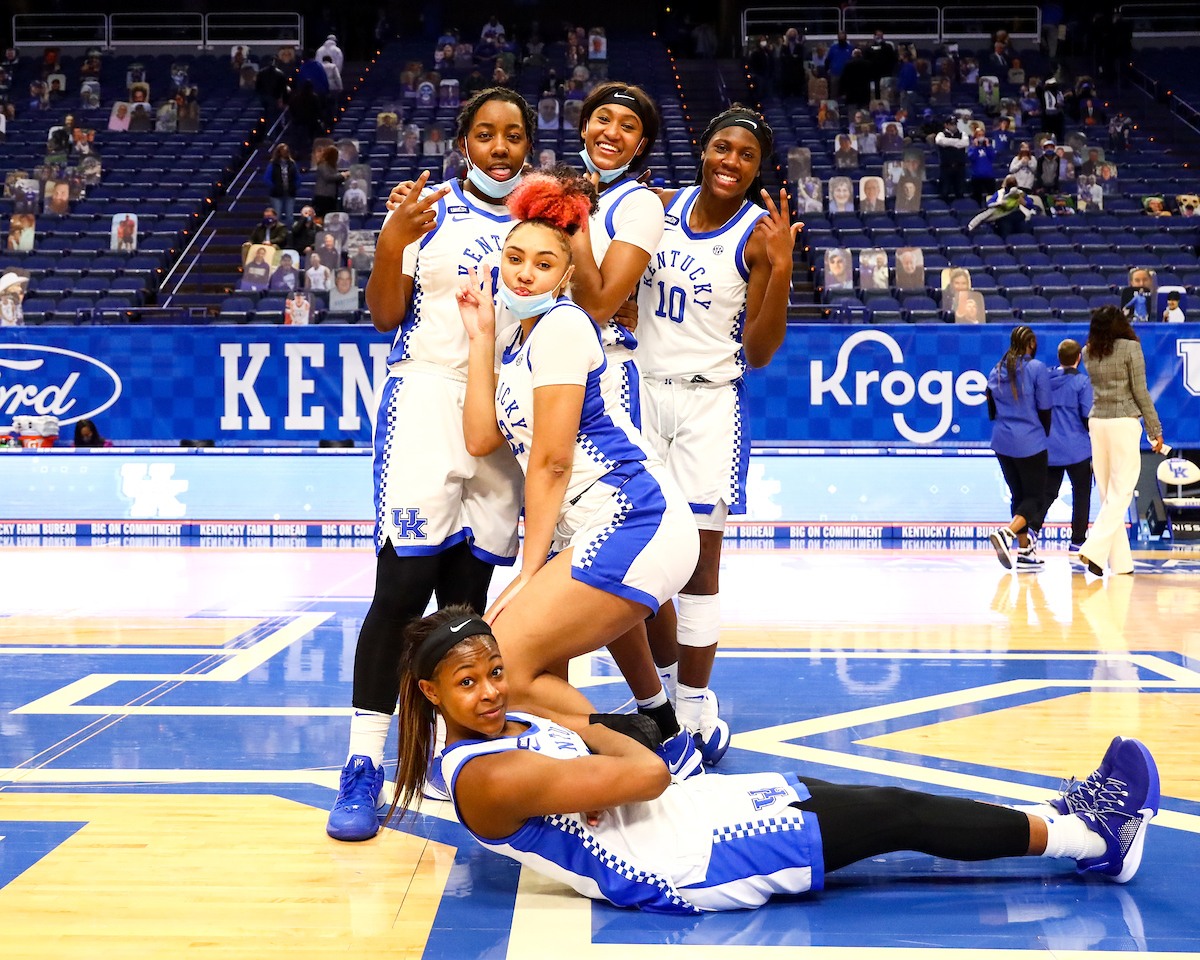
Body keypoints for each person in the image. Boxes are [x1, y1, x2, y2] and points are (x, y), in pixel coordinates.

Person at [388, 605, 1160, 913]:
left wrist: (595, 768)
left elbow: (625, 764)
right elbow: (647, 767)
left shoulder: (502, 728)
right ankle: (1091, 839)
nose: (492, 690)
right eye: (468, 682)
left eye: (495, 671)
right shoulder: (487, 776)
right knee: (894, 815)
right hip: (686, 860)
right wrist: (593, 737)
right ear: (430, 693)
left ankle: (1055, 818)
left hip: (685, 815)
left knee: (872, 799)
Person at [325, 89, 536, 843]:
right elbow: (386, 312)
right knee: (402, 589)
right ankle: (362, 764)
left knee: (468, 598)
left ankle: (458, 758)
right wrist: (391, 241)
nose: (500, 148)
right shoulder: (429, 210)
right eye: (486, 134)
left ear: (529, 145)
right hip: (426, 394)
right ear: (463, 141)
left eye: (514, 135)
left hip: (503, 403)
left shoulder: (543, 221)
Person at [456, 168, 700, 769]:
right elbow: (482, 437)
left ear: (565, 275)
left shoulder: (563, 325)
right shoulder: (516, 342)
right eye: (515, 258)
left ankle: (631, 753)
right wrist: (481, 337)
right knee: (525, 654)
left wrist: (528, 570)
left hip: (636, 515)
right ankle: (663, 732)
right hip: (599, 524)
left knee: (505, 664)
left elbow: (553, 461)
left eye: (543, 264)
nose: (524, 273)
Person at [636, 106, 800, 764]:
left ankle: (691, 711)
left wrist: (782, 269)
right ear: (703, 149)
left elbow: (759, 351)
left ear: (758, 169)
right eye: (722, 147)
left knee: (700, 569)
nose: (732, 162)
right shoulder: (659, 207)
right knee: (643, 564)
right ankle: (672, 701)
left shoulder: (757, 237)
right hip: (642, 394)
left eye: (747, 156)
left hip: (709, 405)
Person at [1076, 308, 1167, 577]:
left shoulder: (1087, 351)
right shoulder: (1131, 348)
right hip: (1123, 421)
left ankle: (1121, 564)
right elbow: (1140, 391)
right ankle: (1093, 548)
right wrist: (1154, 429)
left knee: (1108, 494)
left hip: (1097, 421)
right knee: (1122, 491)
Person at [986, 326, 1052, 571]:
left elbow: (991, 409)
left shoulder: (997, 369)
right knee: (1036, 497)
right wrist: (1043, 433)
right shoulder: (1036, 368)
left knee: (1018, 496)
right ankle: (1007, 533)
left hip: (1002, 442)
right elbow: (1045, 407)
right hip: (1030, 441)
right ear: (1031, 343)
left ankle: (1025, 553)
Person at [1046, 339, 1094, 553]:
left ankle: (1031, 533)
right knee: (1081, 494)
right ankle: (1077, 541)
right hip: (1078, 449)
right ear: (1079, 358)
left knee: (1046, 494)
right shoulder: (1083, 383)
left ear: (1059, 357)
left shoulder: (1045, 379)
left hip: (1050, 448)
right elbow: (1087, 416)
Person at [265, 144, 300, 229]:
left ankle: (289, 233)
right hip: (276, 194)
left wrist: (294, 187)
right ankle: (277, 232)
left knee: (290, 216)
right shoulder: (273, 164)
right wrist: (275, 188)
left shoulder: (292, 163)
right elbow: (267, 178)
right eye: (283, 151)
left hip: (290, 193)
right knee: (277, 215)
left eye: (286, 150)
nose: (285, 152)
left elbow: (297, 177)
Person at [935, 117, 969, 203]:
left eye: (955, 124)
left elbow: (965, 143)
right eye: (951, 124)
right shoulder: (941, 134)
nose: (954, 126)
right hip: (946, 167)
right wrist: (957, 142)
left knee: (960, 191)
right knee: (944, 191)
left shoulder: (963, 134)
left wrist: (949, 143)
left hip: (960, 166)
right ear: (946, 125)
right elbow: (940, 141)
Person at [312, 145, 346, 219]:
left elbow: (335, 179)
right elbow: (328, 177)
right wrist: (341, 175)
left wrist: (343, 177)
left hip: (331, 196)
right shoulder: (323, 165)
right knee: (322, 216)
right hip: (323, 196)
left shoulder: (333, 166)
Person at [967, 132, 997, 205]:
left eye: (982, 135)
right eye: (979, 135)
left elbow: (992, 157)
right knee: (977, 196)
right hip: (976, 176)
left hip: (989, 175)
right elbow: (972, 158)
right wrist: (976, 146)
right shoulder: (971, 148)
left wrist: (988, 145)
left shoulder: (988, 147)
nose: (981, 137)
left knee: (992, 194)